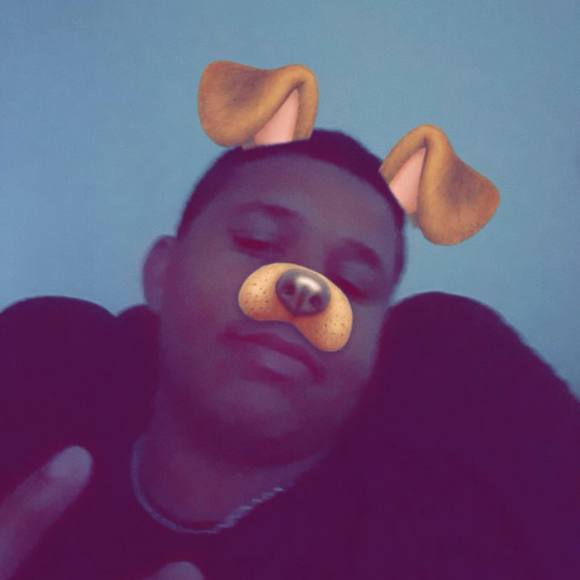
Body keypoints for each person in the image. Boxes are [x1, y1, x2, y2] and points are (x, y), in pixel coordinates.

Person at [0, 130, 578, 580]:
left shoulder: (440, 541)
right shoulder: (35, 386)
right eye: (257, 240)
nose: (306, 290)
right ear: (162, 273)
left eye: (354, 283)